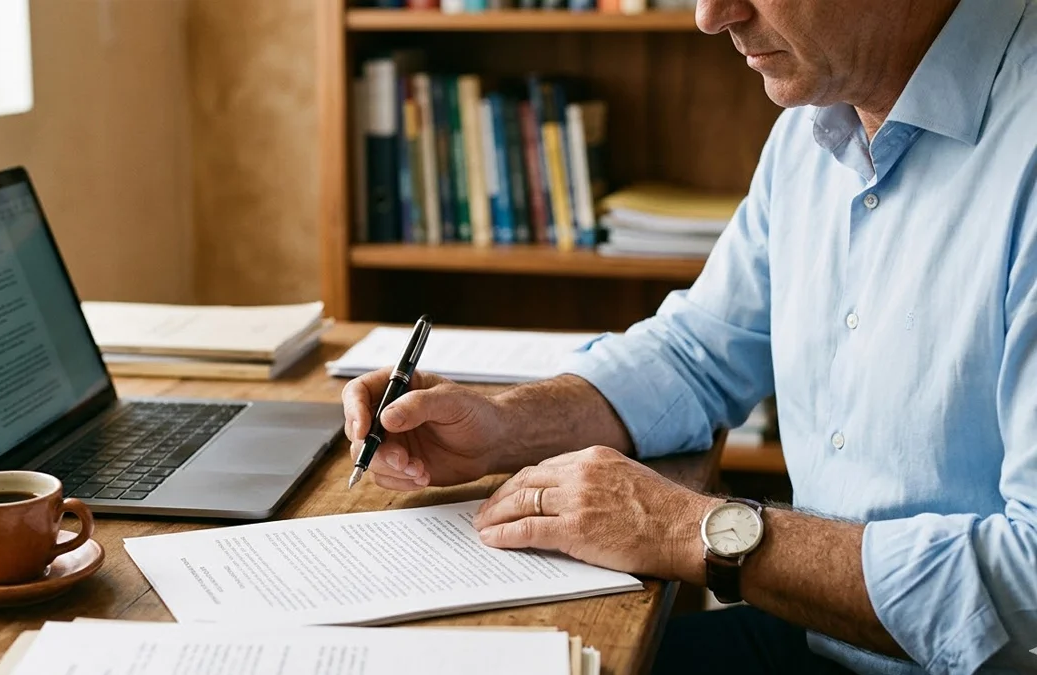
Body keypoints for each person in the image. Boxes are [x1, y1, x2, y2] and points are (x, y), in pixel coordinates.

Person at [341, 0, 1037, 673]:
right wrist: (504, 424)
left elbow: (1028, 584)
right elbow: (698, 351)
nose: (711, 15)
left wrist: (688, 528)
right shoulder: (817, 122)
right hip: (827, 635)